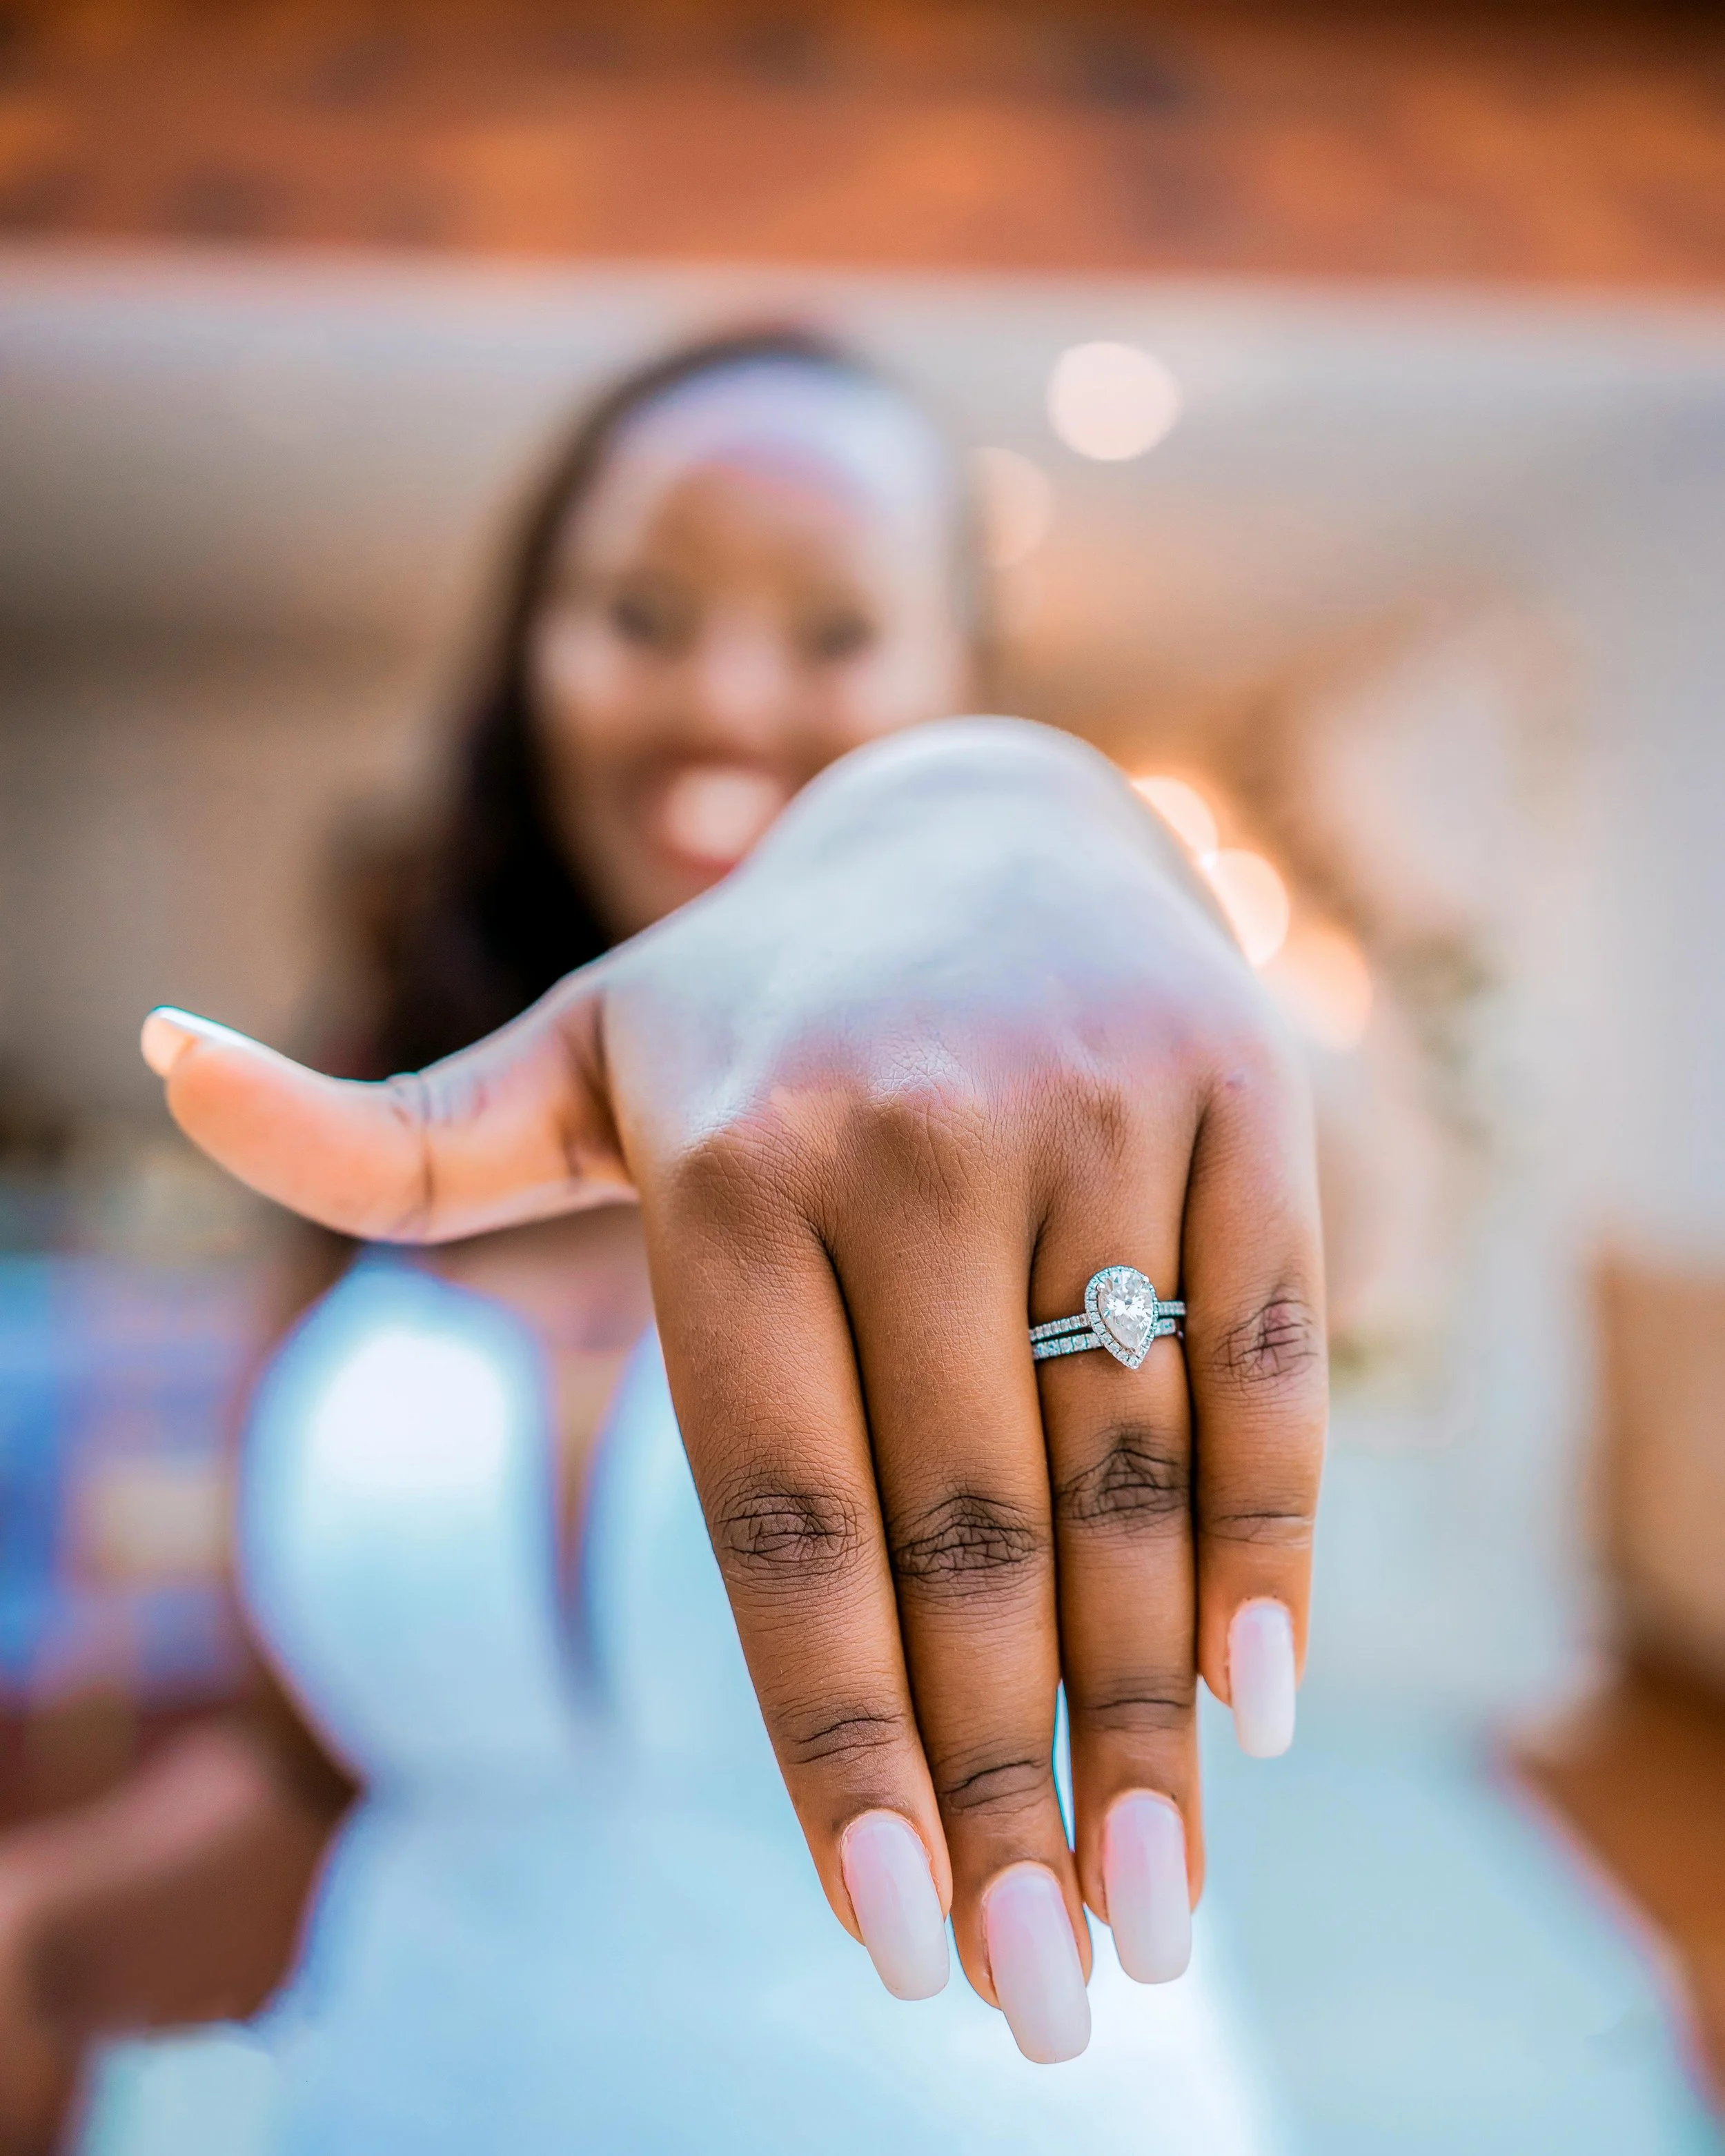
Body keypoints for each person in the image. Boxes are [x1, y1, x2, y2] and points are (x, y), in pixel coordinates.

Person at [0, 325, 1325, 2147]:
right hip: (408, 2093)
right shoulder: (386, 1133)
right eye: (640, 611)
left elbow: (1379, 1161)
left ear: (960, 682)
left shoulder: (1104, 1106)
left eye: (836, 630)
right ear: (525, 659)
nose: (723, 695)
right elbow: (321, 1774)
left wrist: (1056, 823)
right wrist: (41, 1931)